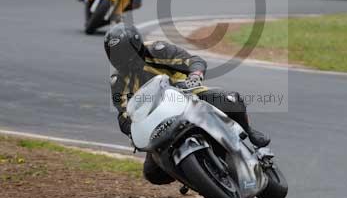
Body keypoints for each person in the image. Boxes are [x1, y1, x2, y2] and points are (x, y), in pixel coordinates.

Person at [104, 23, 270, 185]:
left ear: (136, 44)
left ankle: (249, 132)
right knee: (152, 173)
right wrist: (132, 130)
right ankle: (196, 179)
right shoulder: (117, 81)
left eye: (125, 53)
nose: (122, 59)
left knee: (230, 100)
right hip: (157, 122)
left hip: (187, 96)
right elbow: (123, 114)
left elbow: (192, 61)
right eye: (116, 55)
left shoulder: (156, 50)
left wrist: (195, 75)